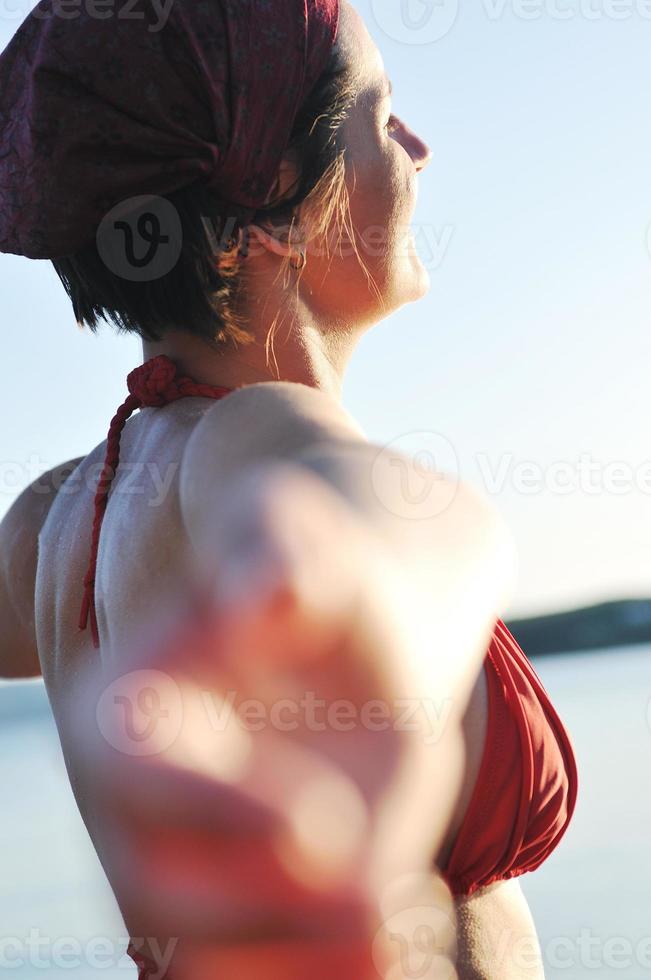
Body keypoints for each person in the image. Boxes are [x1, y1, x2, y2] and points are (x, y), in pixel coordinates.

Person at [0, 0, 577, 977]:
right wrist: (344, 594)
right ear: (274, 208)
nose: (420, 146)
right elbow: (359, 521)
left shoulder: (58, 515)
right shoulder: (251, 433)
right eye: (383, 116)